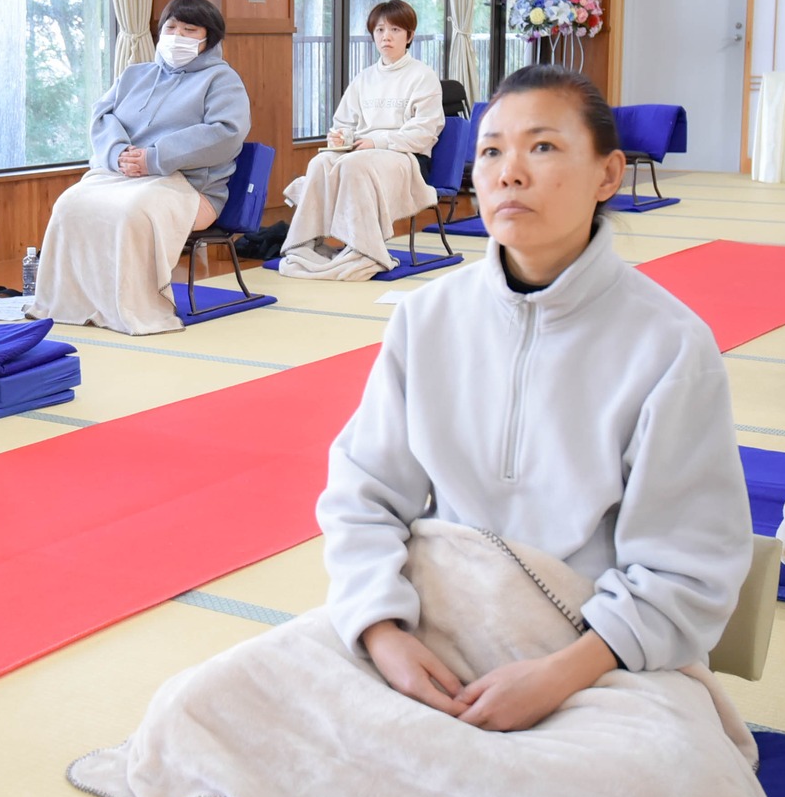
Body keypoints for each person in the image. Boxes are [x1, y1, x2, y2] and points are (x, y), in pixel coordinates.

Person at [320, 64, 751, 733]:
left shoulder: (669, 344)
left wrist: (559, 676)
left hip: (598, 652)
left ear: (608, 175)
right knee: (209, 710)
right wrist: (382, 632)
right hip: (430, 619)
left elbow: (689, 564)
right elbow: (363, 491)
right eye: (491, 150)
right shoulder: (426, 318)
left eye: (542, 147)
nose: (508, 172)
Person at [29, 0, 250, 335]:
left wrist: (155, 157)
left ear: (210, 39)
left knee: (133, 210)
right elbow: (102, 115)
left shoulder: (222, 80)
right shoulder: (136, 75)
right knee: (69, 204)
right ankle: (69, 303)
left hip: (189, 186)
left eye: (189, 29)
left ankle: (132, 307)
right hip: (122, 175)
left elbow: (226, 133)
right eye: (171, 27)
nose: (177, 36)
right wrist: (117, 153)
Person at [279, 0, 446, 280]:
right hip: (362, 152)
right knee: (321, 162)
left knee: (353, 166)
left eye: (395, 29)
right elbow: (344, 122)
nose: (386, 36)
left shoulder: (423, 76)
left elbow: (425, 132)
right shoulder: (364, 78)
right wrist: (340, 137)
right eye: (379, 30)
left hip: (407, 157)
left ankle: (364, 249)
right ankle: (305, 245)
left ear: (410, 35)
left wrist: (377, 142)